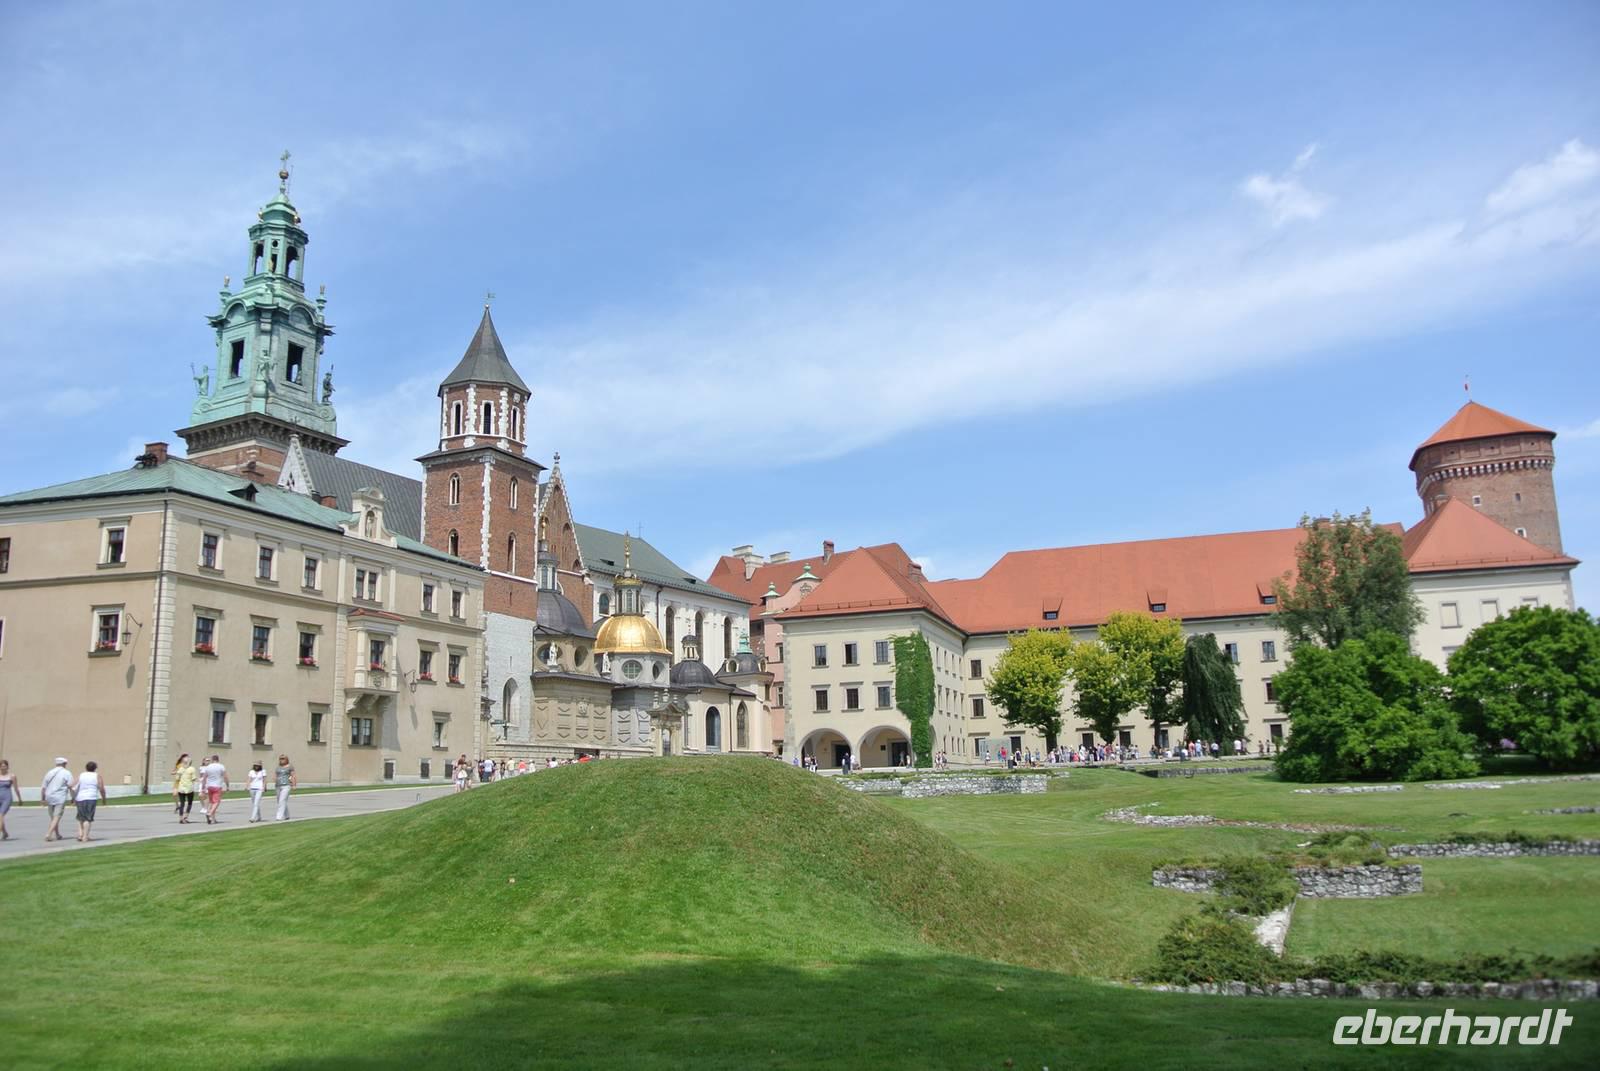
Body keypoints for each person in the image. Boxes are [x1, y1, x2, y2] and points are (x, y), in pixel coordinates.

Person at [71, 760, 107, 842]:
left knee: (81, 817)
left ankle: (80, 835)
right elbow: (101, 788)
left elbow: (72, 785)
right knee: (88, 818)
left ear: (86, 768)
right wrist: (104, 799)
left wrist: (73, 797)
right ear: (95, 768)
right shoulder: (97, 776)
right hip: (91, 798)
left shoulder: (81, 775)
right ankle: (85, 836)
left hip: (80, 798)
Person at [41, 757, 73, 842]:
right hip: (60, 797)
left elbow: (43, 787)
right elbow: (70, 786)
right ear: (64, 764)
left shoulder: (49, 772)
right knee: (57, 816)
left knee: (53, 817)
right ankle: (48, 834)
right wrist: (73, 797)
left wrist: (42, 798)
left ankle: (57, 834)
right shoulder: (67, 773)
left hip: (49, 796)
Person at [200, 754, 229, 824]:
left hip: (209, 786)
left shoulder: (208, 767)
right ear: (218, 760)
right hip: (217, 786)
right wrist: (227, 786)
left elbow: (204, 778)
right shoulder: (221, 766)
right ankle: (209, 813)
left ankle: (213, 819)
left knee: (211, 802)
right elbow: (225, 777)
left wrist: (203, 787)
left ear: (212, 760)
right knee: (216, 802)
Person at [173, 754, 198, 823]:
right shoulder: (192, 769)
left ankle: (181, 818)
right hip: (189, 788)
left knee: (182, 804)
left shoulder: (180, 769)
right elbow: (193, 778)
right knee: (189, 803)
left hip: (181, 788)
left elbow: (177, 778)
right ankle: (186, 817)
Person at [0, 759, 19, 840]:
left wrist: (19, 799)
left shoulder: (12, 776)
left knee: (1, 815)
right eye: (1, 766)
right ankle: (5, 833)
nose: (3, 768)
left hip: (7, 798)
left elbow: (16, 788)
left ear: (7, 767)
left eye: (4, 766)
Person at [274, 754, 297, 820]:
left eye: (283, 758)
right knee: (280, 801)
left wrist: (294, 785)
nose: (281, 760)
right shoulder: (278, 767)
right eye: (280, 758)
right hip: (278, 786)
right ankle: (287, 815)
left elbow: (293, 776)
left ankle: (279, 817)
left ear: (286, 759)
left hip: (286, 785)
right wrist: (275, 780)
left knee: (282, 800)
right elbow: (276, 775)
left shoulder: (290, 766)